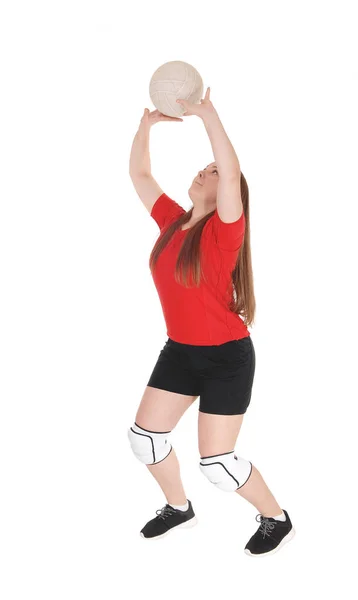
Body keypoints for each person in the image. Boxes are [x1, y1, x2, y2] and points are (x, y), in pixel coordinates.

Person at [127, 88, 295, 556]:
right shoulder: (171, 222)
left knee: (218, 465)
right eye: (204, 166)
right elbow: (139, 173)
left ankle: (276, 518)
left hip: (226, 358)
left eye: (214, 171)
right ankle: (179, 509)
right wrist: (146, 125)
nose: (206, 169)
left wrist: (207, 114)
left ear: (230, 192)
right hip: (179, 351)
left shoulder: (224, 231)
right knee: (144, 440)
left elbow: (232, 170)